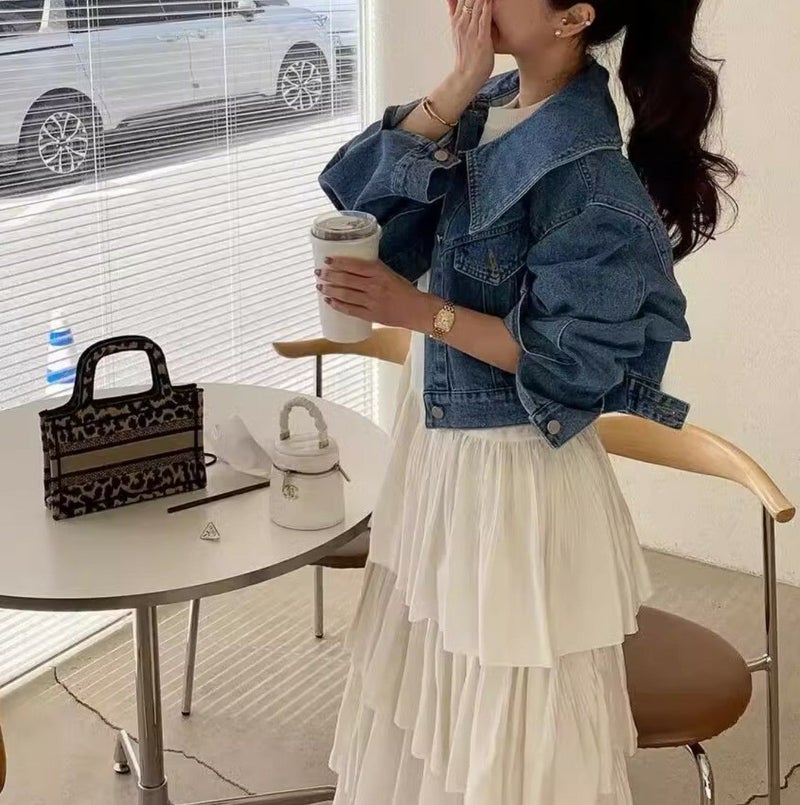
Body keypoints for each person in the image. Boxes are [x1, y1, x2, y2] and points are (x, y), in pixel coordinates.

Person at [315, 0, 737, 802]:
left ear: (573, 17)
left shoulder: (590, 175)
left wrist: (420, 311)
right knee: (436, 710)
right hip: (439, 451)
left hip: (510, 478)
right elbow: (359, 202)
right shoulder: (484, 105)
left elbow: (570, 363)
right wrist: (456, 83)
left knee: (506, 735)